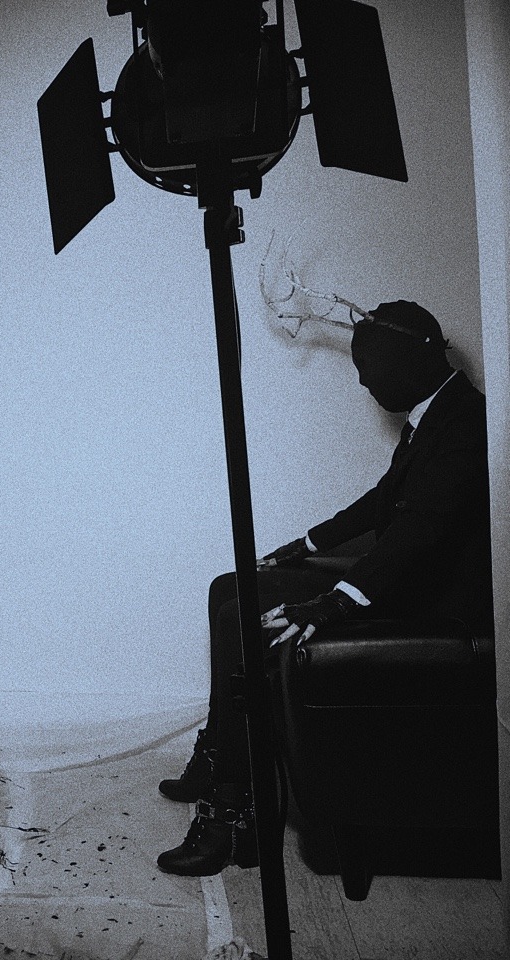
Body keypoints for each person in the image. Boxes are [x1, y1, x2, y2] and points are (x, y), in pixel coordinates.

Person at [156, 300, 493, 877]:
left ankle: (232, 809)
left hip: (429, 598)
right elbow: (384, 500)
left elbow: (421, 534)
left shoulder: (465, 423)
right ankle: (217, 753)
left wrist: (333, 602)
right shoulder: (438, 411)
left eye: (371, 369)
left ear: (417, 356)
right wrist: (304, 545)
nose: (364, 383)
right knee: (229, 586)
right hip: (401, 576)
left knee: (241, 614)